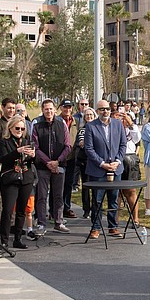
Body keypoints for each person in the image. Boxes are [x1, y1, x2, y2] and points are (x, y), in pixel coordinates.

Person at [83, 100, 127, 239]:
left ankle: (113, 227)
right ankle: (96, 228)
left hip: (115, 169)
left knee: (114, 199)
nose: (105, 111)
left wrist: (117, 161)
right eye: (102, 109)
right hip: (98, 170)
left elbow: (123, 145)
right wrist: (102, 164)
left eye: (107, 108)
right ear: (97, 111)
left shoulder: (118, 124)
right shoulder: (91, 126)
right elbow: (88, 149)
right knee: (97, 200)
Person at [0, 115, 37, 247]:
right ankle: (4, 240)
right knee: (7, 210)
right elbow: (1, 158)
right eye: (17, 128)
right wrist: (16, 152)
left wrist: (33, 156)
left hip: (25, 178)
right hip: (10, 179)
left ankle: (18, 239)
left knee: (21, 210)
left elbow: (33, 162)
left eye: (22, 128)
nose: (19, 130)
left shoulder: (26, 141)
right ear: (10, 128)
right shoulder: (4, 141)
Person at [32, 99, 71, 234]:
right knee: (42, 196)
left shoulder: (62, 124)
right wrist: (48, 162)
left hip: (59, 165)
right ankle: (42, 223)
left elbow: (68, 146)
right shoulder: (37, 125)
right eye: (46, 109)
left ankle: (58, 222)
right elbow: (35, 147)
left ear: (55, 110)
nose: (49, 111)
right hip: (43, 167)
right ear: (42, 110)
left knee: (58, 196)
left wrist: (57, 161)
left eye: (51, 109)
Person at [119, 109, 142, 229]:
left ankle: (135, 219)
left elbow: (137, 138)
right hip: (117, 159)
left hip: (130, 159)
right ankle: (115, 221)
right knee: (116, 192)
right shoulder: (114, 127)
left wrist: (130, 124)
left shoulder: (132, 129)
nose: (124, 119)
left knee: (131, 191)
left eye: (126, 117)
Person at [58, 99, 80, 219]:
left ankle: (67, 207)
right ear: (61, 108)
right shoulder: (56, 121)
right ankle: (56, 209)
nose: (67, 110)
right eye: (65, 107)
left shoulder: (76, 121)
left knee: (68, 184)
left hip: (71, 158)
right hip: (59, 158)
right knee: (57, 185)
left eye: (69, 107)